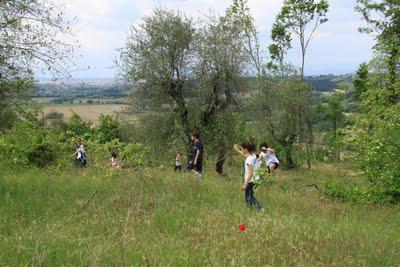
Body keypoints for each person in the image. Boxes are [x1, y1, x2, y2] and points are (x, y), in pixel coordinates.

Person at [234, 142, 264, 211]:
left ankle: (261, 209)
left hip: (251, 181)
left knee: (249, 197)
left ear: (246, 150)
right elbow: (245, 155)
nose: (242, 150)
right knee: (248, 197)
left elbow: (250, 173)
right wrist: (237, 149)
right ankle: (250, 211)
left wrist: (245, 184)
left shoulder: (249, 160)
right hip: (255, 179)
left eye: (242, 149)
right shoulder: (252, 156)